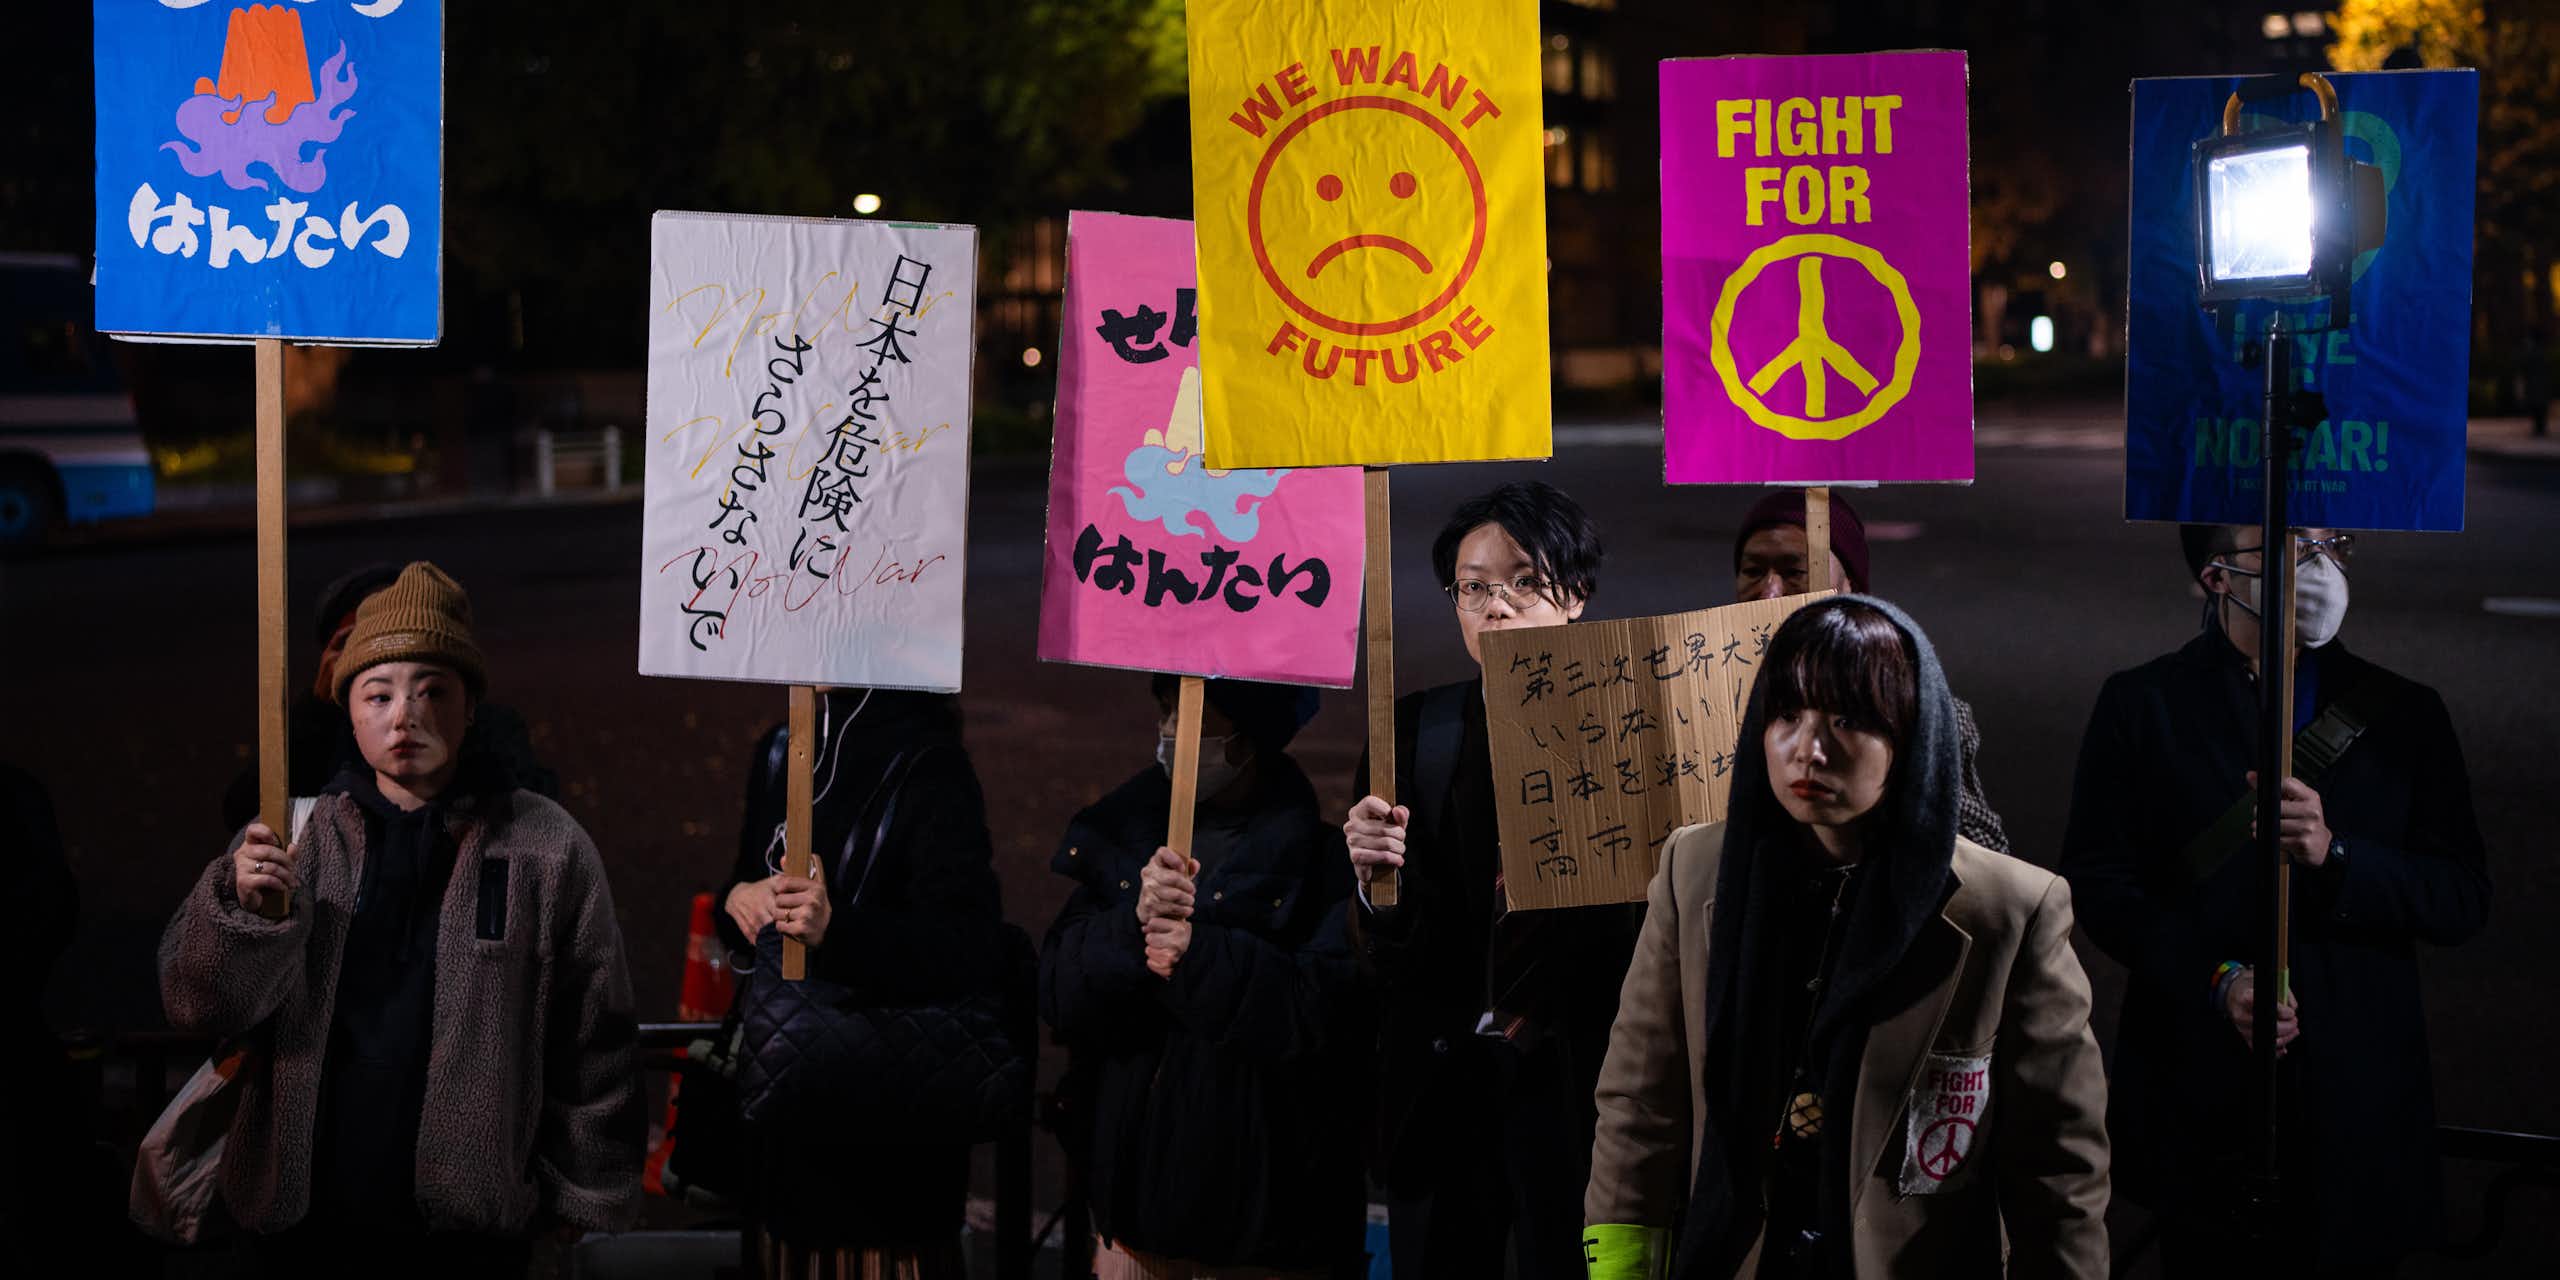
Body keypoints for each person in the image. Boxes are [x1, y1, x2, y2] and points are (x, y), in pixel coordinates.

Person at [1584, 596, 2110, 1279]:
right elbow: (1640, 1103)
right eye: (1787, 715)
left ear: (1912, 735)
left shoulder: (2009, 909)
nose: (1809, 749)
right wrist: (1620, 1269)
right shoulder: (1696, 870)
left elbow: (2058, 1166)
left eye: (1848, 720)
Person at [159, 561, 642, 1275]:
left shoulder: (544, 844)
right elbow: (197, 1005)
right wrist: (240, 915)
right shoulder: (290, 838)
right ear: (348, 710)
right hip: (305, 1224)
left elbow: (595, 1029)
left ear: (471, 706)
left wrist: (585, 1186)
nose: (404, 716)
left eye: (433, 691)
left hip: (472, 1229)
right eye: (378, 694)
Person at [2060, 526, 2490, 1277]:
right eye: (2289, 546)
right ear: (2217, 575)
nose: (2319, 567)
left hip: (2355, 1103)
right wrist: (2218, 980)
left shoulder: (2405, 713)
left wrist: (2336, 854)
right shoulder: (2143, 704)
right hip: (2201, 1096)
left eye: (2331, 546)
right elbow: (2100, 885)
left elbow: (2460, 896)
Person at [1341, 480, 1641, 1279]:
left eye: (1524, 583)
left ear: (1576, 595)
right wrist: (1374, 888)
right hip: (1447, 1094)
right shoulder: (1412, 731)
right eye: (1473, 589)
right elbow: (1388, 958)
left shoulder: (1635, 726)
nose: (1497, 608)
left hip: (1585, 1097)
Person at [1040, 676, 1371, 1279]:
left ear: (1248, 735)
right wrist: (1130, 927)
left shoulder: (1320, 865)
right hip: (1133, 1226)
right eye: (1165, 708)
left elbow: (1320, 1018)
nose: (1169, 730)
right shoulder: (1121, 842)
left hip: (1266, 1234)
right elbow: (1059, 992)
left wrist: (1200, 955)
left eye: (1191, 712)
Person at [717, 686, 1011, 1280]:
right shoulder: (781, 750)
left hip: (892, 1141)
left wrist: (836, 930)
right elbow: (744, 890)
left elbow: (966, 947)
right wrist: (739, 899)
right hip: (788, 1118)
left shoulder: (931, 764)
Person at [1729, 489, 2009, 854]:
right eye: (1753, 571)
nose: (1770, 592)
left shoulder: (1914, 707)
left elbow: (1981, 853)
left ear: (1852, 587)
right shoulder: (1698, 699)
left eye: (1796, 572)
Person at [222, 562, 556, 836]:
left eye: (433, 690)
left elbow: (534, 811)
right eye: (363, 638)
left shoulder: (488, 726)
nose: (402, 717)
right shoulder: (327, 731)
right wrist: (317, 708)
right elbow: (248, 810)